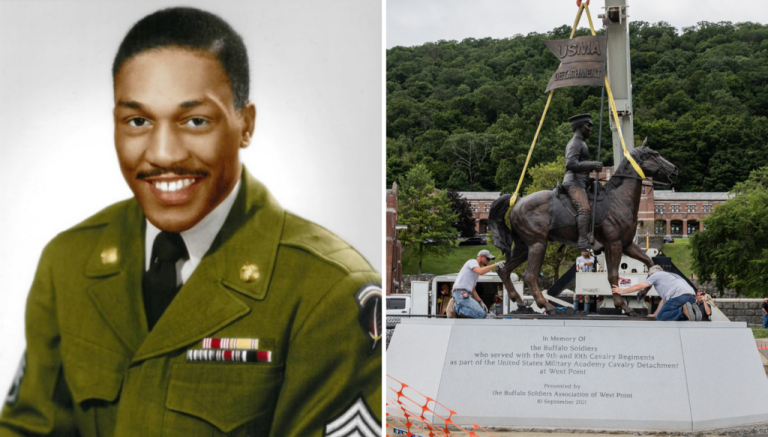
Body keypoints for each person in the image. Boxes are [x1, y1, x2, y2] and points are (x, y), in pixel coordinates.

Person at [0, 8, 380, 437]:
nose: (163, 153)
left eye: (195, 121)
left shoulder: (327, 290)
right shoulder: (68, 261)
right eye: (138, 121)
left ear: (245, 125)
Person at [562, 114, 604, 251]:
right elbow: (570, 164)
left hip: (581, 182)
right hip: (574, 183)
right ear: (580, 127)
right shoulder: (575, 143)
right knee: (584, 209)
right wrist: (592, 164)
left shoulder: (582, 143)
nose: (590, 128)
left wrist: (590, 179)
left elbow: (581, 169)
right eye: (588, 126)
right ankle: (583, 241)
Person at [611, 265, 701, 321]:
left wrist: (622, 291)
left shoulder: (655, 275)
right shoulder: (671, 276)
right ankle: (692, 312)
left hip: (680, 297)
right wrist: (655, 314)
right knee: (665, 314)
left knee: (661, 316)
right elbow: (664, 300)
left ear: (652, 273)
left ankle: (683, 311)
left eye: (649, 276)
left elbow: (639, 286)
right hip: (692, 297)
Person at [452, 250, 499, 319]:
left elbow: (473, 290)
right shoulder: (472, 261)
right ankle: (456, 307)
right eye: (488, 259)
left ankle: (458, 306)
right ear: (481, 257)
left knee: (482, 314)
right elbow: (480, 271)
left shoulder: (475, 274)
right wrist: (495, 265)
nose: (489, 261)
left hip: (465, 294)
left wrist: (481, 301)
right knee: (481, 313)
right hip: (460, 293)